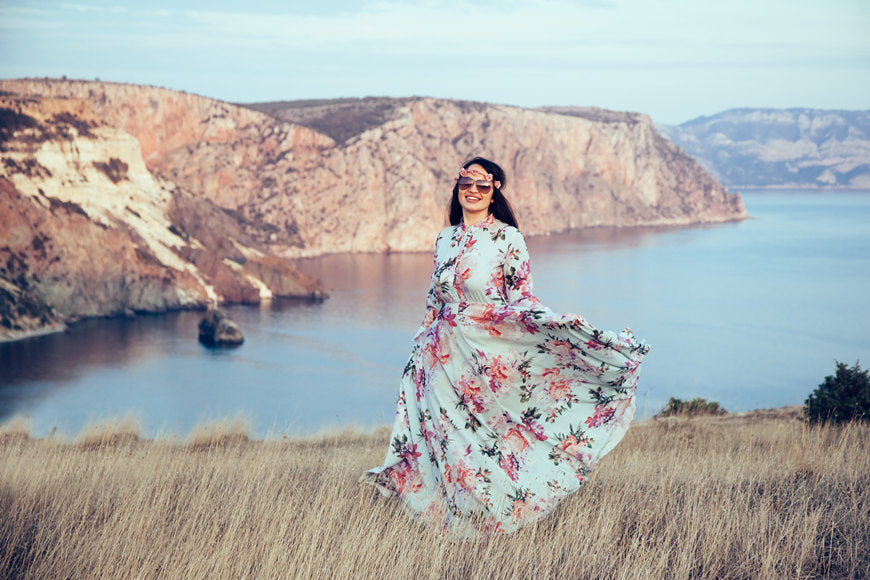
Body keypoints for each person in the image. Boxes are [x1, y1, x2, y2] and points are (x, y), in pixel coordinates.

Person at [362, 157, 649, 535]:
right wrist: (420, 343)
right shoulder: (444, 238)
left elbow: (521, 298)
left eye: (483, 185)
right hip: (438, 354)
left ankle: (492, 512)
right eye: (467, 182)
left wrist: (556, 324)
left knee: (483, 437)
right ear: (457, 185)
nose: (474, 190)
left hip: (484, 353)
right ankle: (446, 518)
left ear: (494, 190)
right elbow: (434, 298)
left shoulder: (508, 238)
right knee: (443, 437)